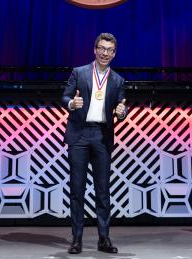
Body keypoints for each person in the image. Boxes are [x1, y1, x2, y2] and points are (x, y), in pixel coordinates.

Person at [61, 32, 126, 254]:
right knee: (77, 190)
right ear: (95, 49)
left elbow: (121, 107)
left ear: (114, 53)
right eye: (102, 48)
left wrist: (122, 111)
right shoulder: (79, 72)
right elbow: (65, 96)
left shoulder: (118, 80)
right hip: (79, 135)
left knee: (103, 191)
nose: (105, 53)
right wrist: (72, 103)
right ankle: (76, 239)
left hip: (101, 136)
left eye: (109, 50)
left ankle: (103, 239)